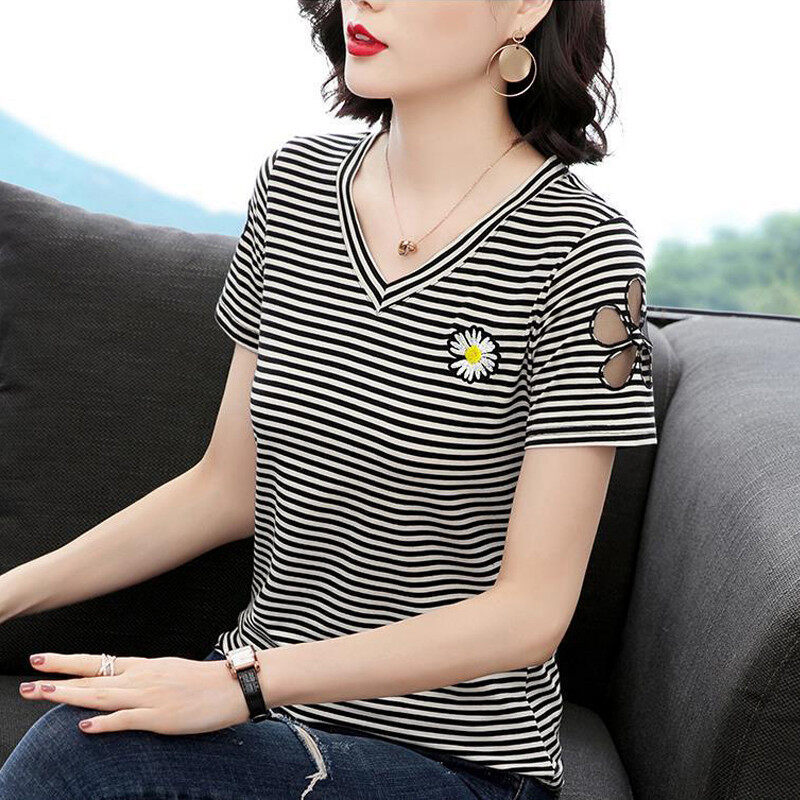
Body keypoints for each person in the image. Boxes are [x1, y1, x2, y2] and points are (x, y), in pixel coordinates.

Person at [0, 1, 658, 798]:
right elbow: (227, 486)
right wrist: (9, 592)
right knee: (82, 732)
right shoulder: (294, 186)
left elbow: (529, 614)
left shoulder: (583, 251)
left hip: (450, 760)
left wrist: (241, 684)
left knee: (78, 757)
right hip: (264, 714)